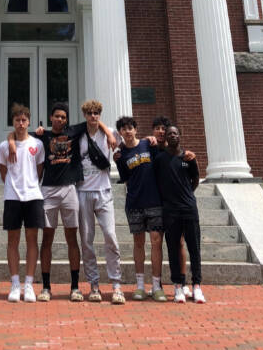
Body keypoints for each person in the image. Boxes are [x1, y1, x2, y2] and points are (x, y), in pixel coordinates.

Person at [8, 102, 116, 302]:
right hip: (48, 190)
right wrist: (11, 142)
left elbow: (95, 121)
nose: (60, 120)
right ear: (50, 118)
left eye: (63, 117)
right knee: (47, 238)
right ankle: (46, 287)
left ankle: (74, 287)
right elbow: (17, 131)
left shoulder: (74, 131)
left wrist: (109, 134)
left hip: (70, 190)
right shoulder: (43, 135)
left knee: (71, 238)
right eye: (57, 116)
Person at [113, 116, 166, 302]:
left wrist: (153, 139)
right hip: (134, 203)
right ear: (120, 133)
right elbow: (126, 179)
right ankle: (140, 285)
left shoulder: (148, 145)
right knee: (138, 243)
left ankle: (157, 285)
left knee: (156, 241)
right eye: (123, 129)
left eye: (130, 128)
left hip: (155, 202)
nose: (127, 131)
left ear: (136, 129)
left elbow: (163, 162)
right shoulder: (120, 156)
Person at [77, 100, 124, 304]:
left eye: (96, 113)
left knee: (111, 236)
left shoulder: (110, 132)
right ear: (85, 115)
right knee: (87, 240)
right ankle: (94, 285)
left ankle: (116, 285)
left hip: (104, 191)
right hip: (83, 191)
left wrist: (108, 131)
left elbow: (130, 139)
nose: (93, 116)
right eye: (90, 113)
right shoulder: (78, 134)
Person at [0, 104, 45, 302]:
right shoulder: (3, 146)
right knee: (13, 241)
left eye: (24, 120)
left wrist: (30, 184)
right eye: (17, 120)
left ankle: (29, 284)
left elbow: (39, 169)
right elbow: (3, 171)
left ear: (29, 122)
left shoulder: (38, 144)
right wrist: (13, 185)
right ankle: (15, 283)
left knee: (32, 240)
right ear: (13, 122)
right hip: (12, 197)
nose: (21, 123)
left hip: (33, 196)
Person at [153, 125, 206, 304]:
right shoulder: (160, 159)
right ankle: (178, 285)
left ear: (180, 136)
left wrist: (187, 194)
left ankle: (197, 286)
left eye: (175, 133)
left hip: (189, 209)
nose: (173, 136)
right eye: (169, 134)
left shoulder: (188, 157)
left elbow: (195, 179)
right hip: (170, 211)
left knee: (194, 247)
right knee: (174, 248)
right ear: (166, 138)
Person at [152, 115, 193, 299]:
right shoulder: (150, 147)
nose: (161, 132)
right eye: (158, 128)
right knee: (158, 242)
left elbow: (191, 175)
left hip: (175, 204)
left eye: (164, 129)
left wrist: (185, 195)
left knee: (179, 242)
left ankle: (182, 282)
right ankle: (157, 283)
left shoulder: (181, 153)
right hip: (156, 201)